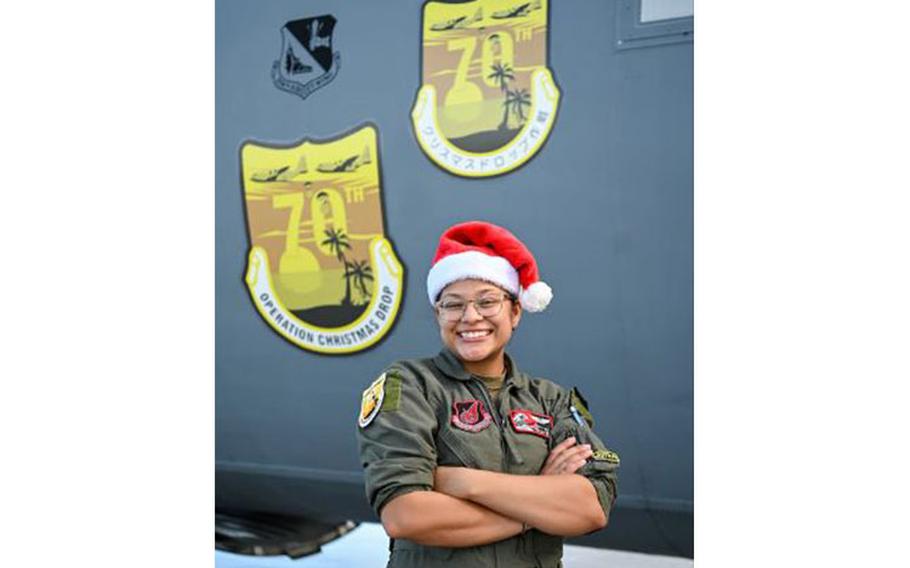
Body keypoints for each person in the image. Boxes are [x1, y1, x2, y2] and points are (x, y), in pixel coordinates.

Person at [357, 221, 620, 568]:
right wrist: (536, 506)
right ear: (439, 314)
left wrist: (464, 482)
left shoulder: (552, 400)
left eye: (487, 301)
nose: (470, 317)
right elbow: (406, 516)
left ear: (515, 311)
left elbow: (591, 508)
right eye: (453, 305)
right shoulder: (410, 386)